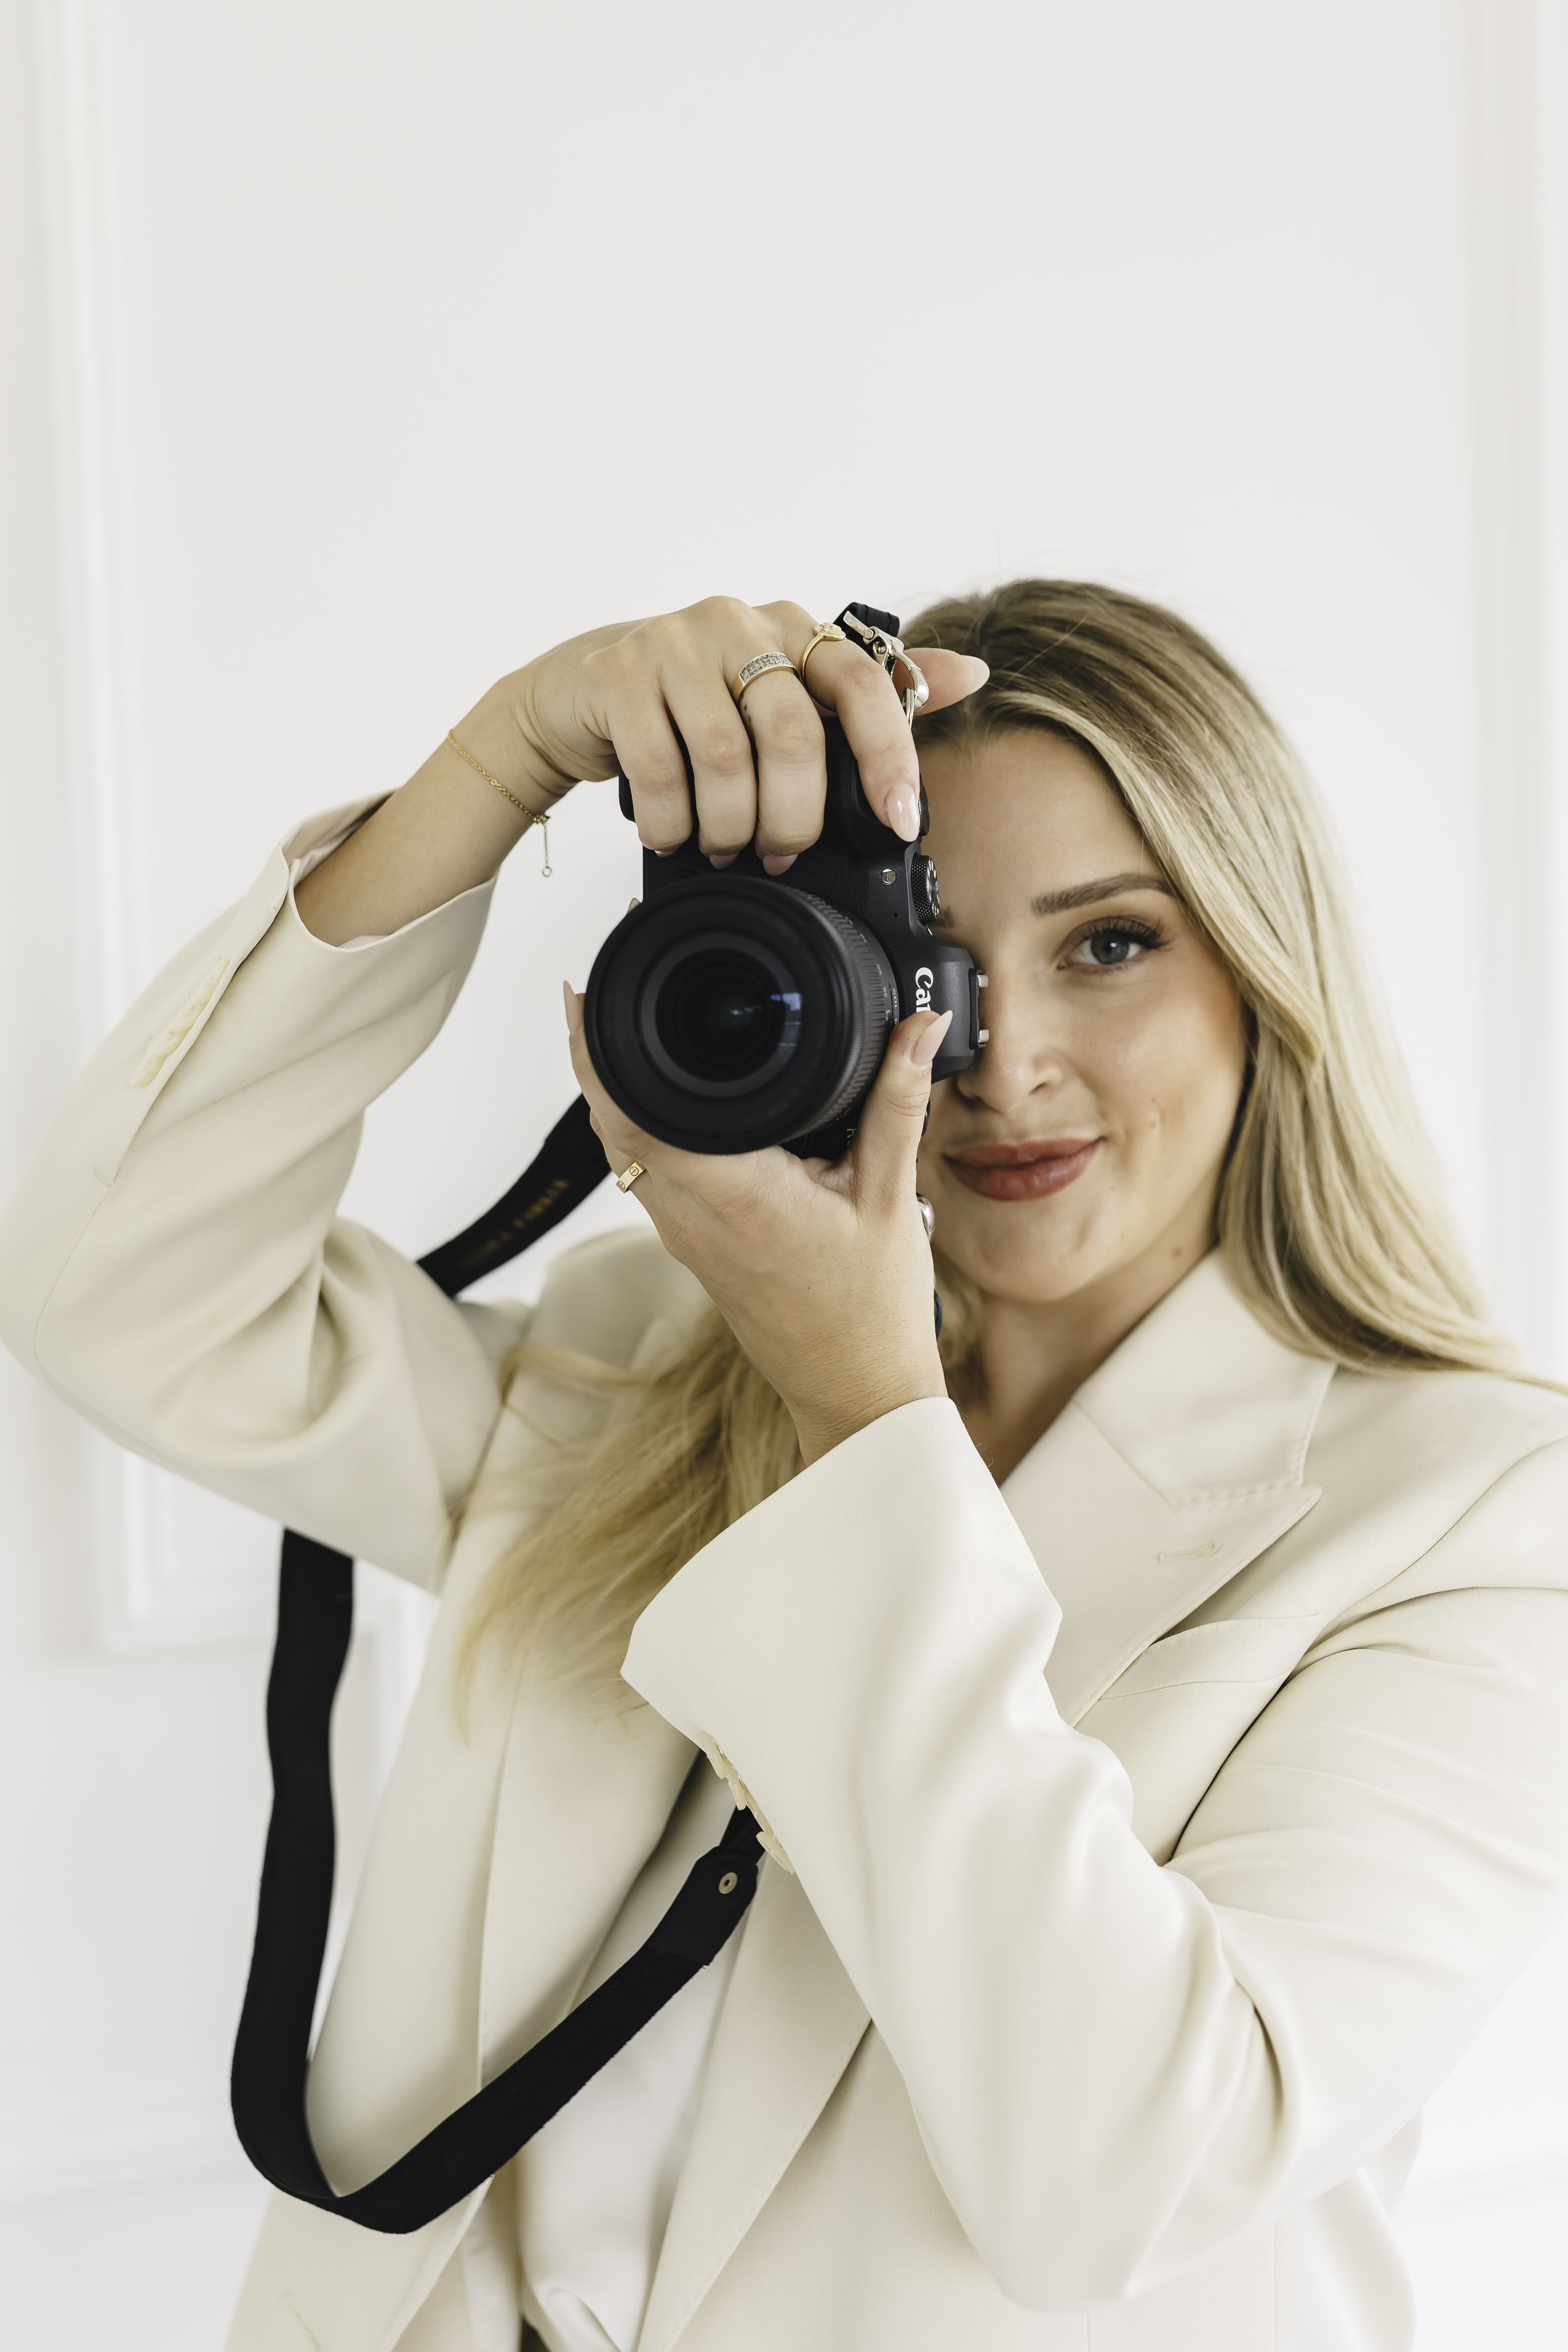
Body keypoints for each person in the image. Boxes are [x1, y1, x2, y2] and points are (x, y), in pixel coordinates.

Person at [3, 580, 1566, 2352]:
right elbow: (114, 1289)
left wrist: (867, 1417)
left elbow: (1117, 2171)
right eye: (926, 966)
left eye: (1109, 943)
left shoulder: (1479, 1511)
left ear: (1261, 971)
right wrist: (501, 758)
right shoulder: (645, 1356)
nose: (991, 1060)